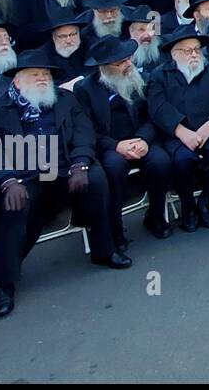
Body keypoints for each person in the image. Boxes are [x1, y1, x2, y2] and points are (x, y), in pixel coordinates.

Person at [0, 49, 130, 319]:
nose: (42, 79)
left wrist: (81, 163)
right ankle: (4, 283)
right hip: (26, 179)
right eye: (34, 75)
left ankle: (105, 250)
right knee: (13, 205)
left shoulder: (65, 100)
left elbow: (84, 133)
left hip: (66, 170)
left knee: (96, 177)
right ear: (17, 82)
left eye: (45, 75)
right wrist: (7, 180)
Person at [74, 36, 174, 245]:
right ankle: (115, 226)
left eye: (128, 59)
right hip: (110, 144)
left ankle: (155, 216)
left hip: (141, 137)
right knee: (114, 167)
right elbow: (86, 129)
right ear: (105, 67)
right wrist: (116, 145)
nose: (129, 64)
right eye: (121, 62)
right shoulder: (85, 89)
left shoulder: (141, 78)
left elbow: (153, 114)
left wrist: (145, 139)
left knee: (160, 161)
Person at [147, 25, 209, 232]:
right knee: (182, 161)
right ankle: (188, 205)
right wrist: (182, 132)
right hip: (178, 133)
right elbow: (158, 107)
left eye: (197, 49)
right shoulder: (159, 75)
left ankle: (205, 201)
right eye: (188, 50)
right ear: (174, 54)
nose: (195, 54)